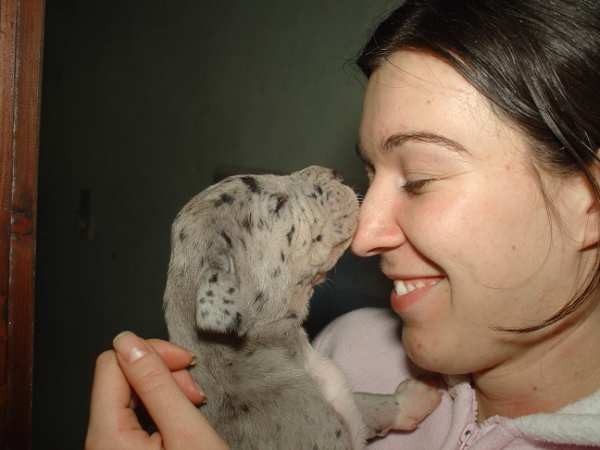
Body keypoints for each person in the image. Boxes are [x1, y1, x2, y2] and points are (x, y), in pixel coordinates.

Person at [86, 0, 600, 448]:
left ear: (590, 204)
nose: (363, 234)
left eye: (419, 179)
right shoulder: (346, 352)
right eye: (370, 173)